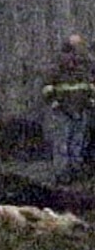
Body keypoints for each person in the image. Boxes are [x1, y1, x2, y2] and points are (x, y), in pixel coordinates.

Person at [42, 34, 95, 183]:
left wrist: (89, 101)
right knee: (62, 144)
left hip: (81, 110)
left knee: (77, 144)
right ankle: (62, 175)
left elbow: (90, 86)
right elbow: (47, 88)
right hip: (63, 112)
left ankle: (76, 172)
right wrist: (55, 102)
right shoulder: (57, 68)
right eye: (74, 48)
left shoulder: (84, 68)